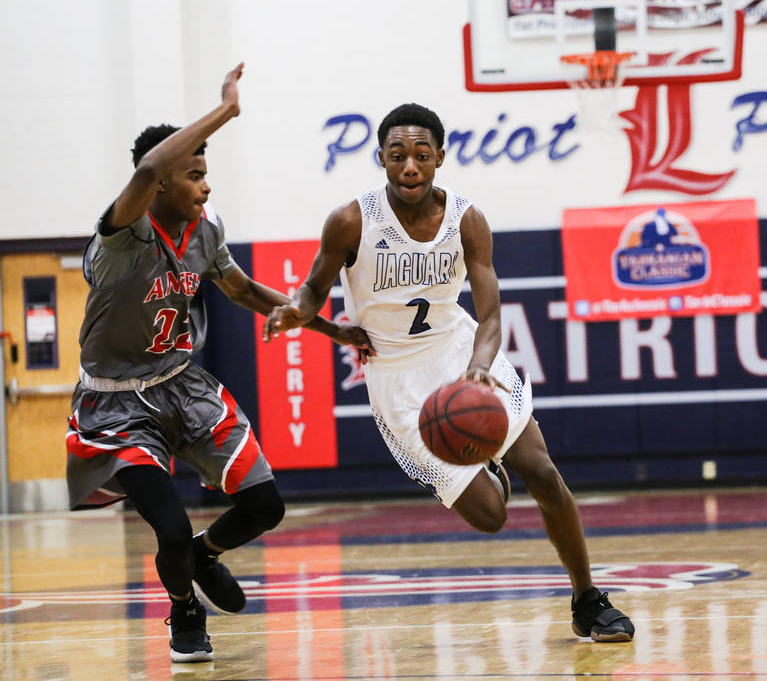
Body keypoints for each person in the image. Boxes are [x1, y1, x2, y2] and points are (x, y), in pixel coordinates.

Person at [263, 102, 635, 643]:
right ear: (382, 160)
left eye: (420, 155)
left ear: (439, 157)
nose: (409, 166)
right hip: (397, 378)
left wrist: (480, 368)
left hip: (462, 353)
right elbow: (315, 288)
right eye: (397, 156)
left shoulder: (466, 219)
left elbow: (489, 315)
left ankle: (587, 599)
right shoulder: (351, 220)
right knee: (491, 516)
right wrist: (301, 310)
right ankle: (490, 470)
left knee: (545, 473)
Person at [65, 63, 354, 663]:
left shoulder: (206, 227)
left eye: (206, 172)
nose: (206, 185)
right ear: (161, 185)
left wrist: (330, 329)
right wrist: (226, 110)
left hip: (182, 384)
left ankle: (205, 555)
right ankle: (184, 609)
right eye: (194, 174)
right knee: (166, 528)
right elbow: (146, 167)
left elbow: (244, 290)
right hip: (116, 403)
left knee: (264, 506)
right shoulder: (122, 236)